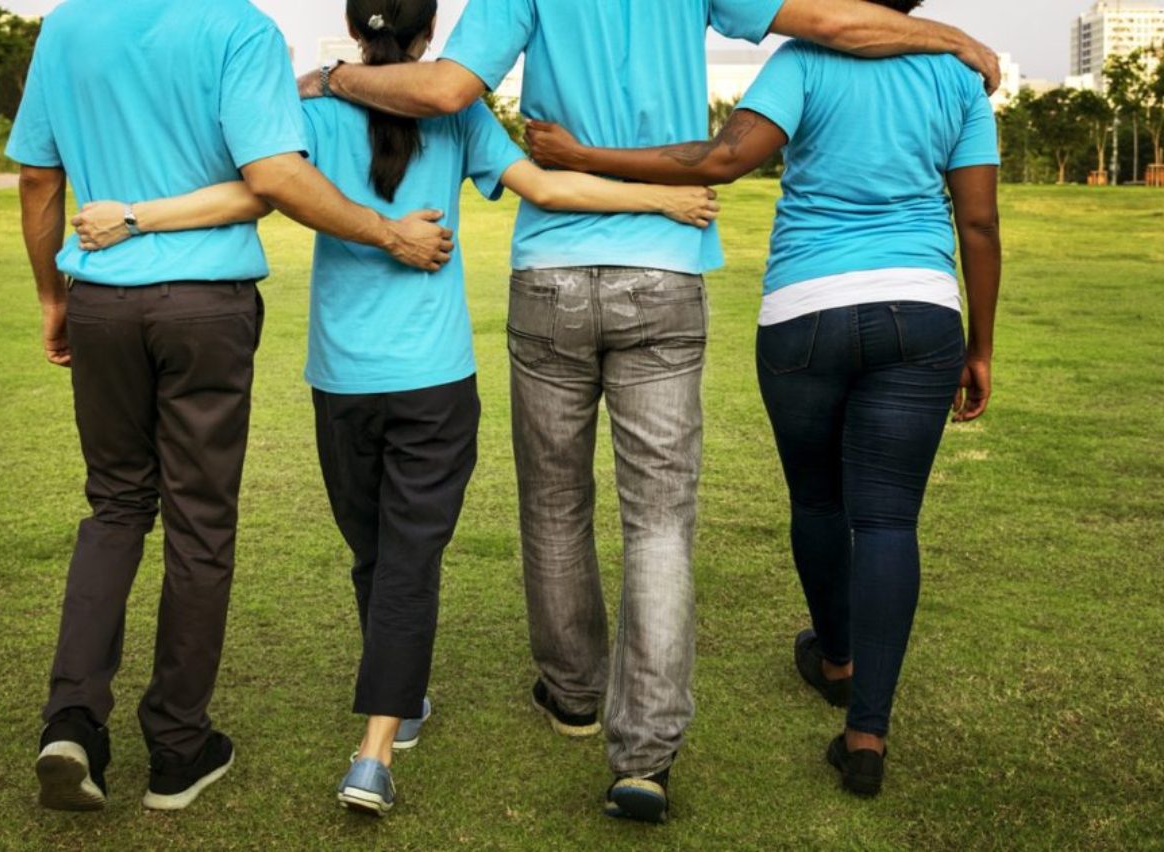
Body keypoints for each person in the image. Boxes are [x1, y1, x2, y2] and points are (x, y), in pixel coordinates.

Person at [300, 0, 1001, 823]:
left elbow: (450, 88)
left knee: (555, 504)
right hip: (664, 274)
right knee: (661, 522)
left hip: (551, 275)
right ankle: (645, 757)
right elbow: (837, 24)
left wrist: (338, 75)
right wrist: (950, 35)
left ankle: (571, 695)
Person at [69, 0, 717, 817]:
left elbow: (250, 188)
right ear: (426, 40)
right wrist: (659, 202)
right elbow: (545, 188)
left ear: (353, 28)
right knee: (404, 560)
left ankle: (394, 715)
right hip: (434, 377)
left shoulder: (311, 107)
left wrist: (133, 217)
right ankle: (382, 733)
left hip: (341, 378)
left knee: (375, 552)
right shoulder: (462, 117)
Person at [526, 0, 1001, 800]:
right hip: (921, 309)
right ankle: (866, 733)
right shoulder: (959, 76)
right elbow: (979, 222)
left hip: (804, 310)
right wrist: (980, 344)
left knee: (819, 501)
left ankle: (837, 659)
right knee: (888, 520)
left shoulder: (803, 62)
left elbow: (719, 159)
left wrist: (585, 154)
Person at [8, 0, 453, 814]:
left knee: (113, 508)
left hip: (101, 300)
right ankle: (178, 750)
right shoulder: (239, 29)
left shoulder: (66, 25)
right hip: (205, 306)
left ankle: (71, 722)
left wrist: (50, 296)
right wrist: (388, 234)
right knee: (199, 523)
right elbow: (273, 178)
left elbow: (39, 176)